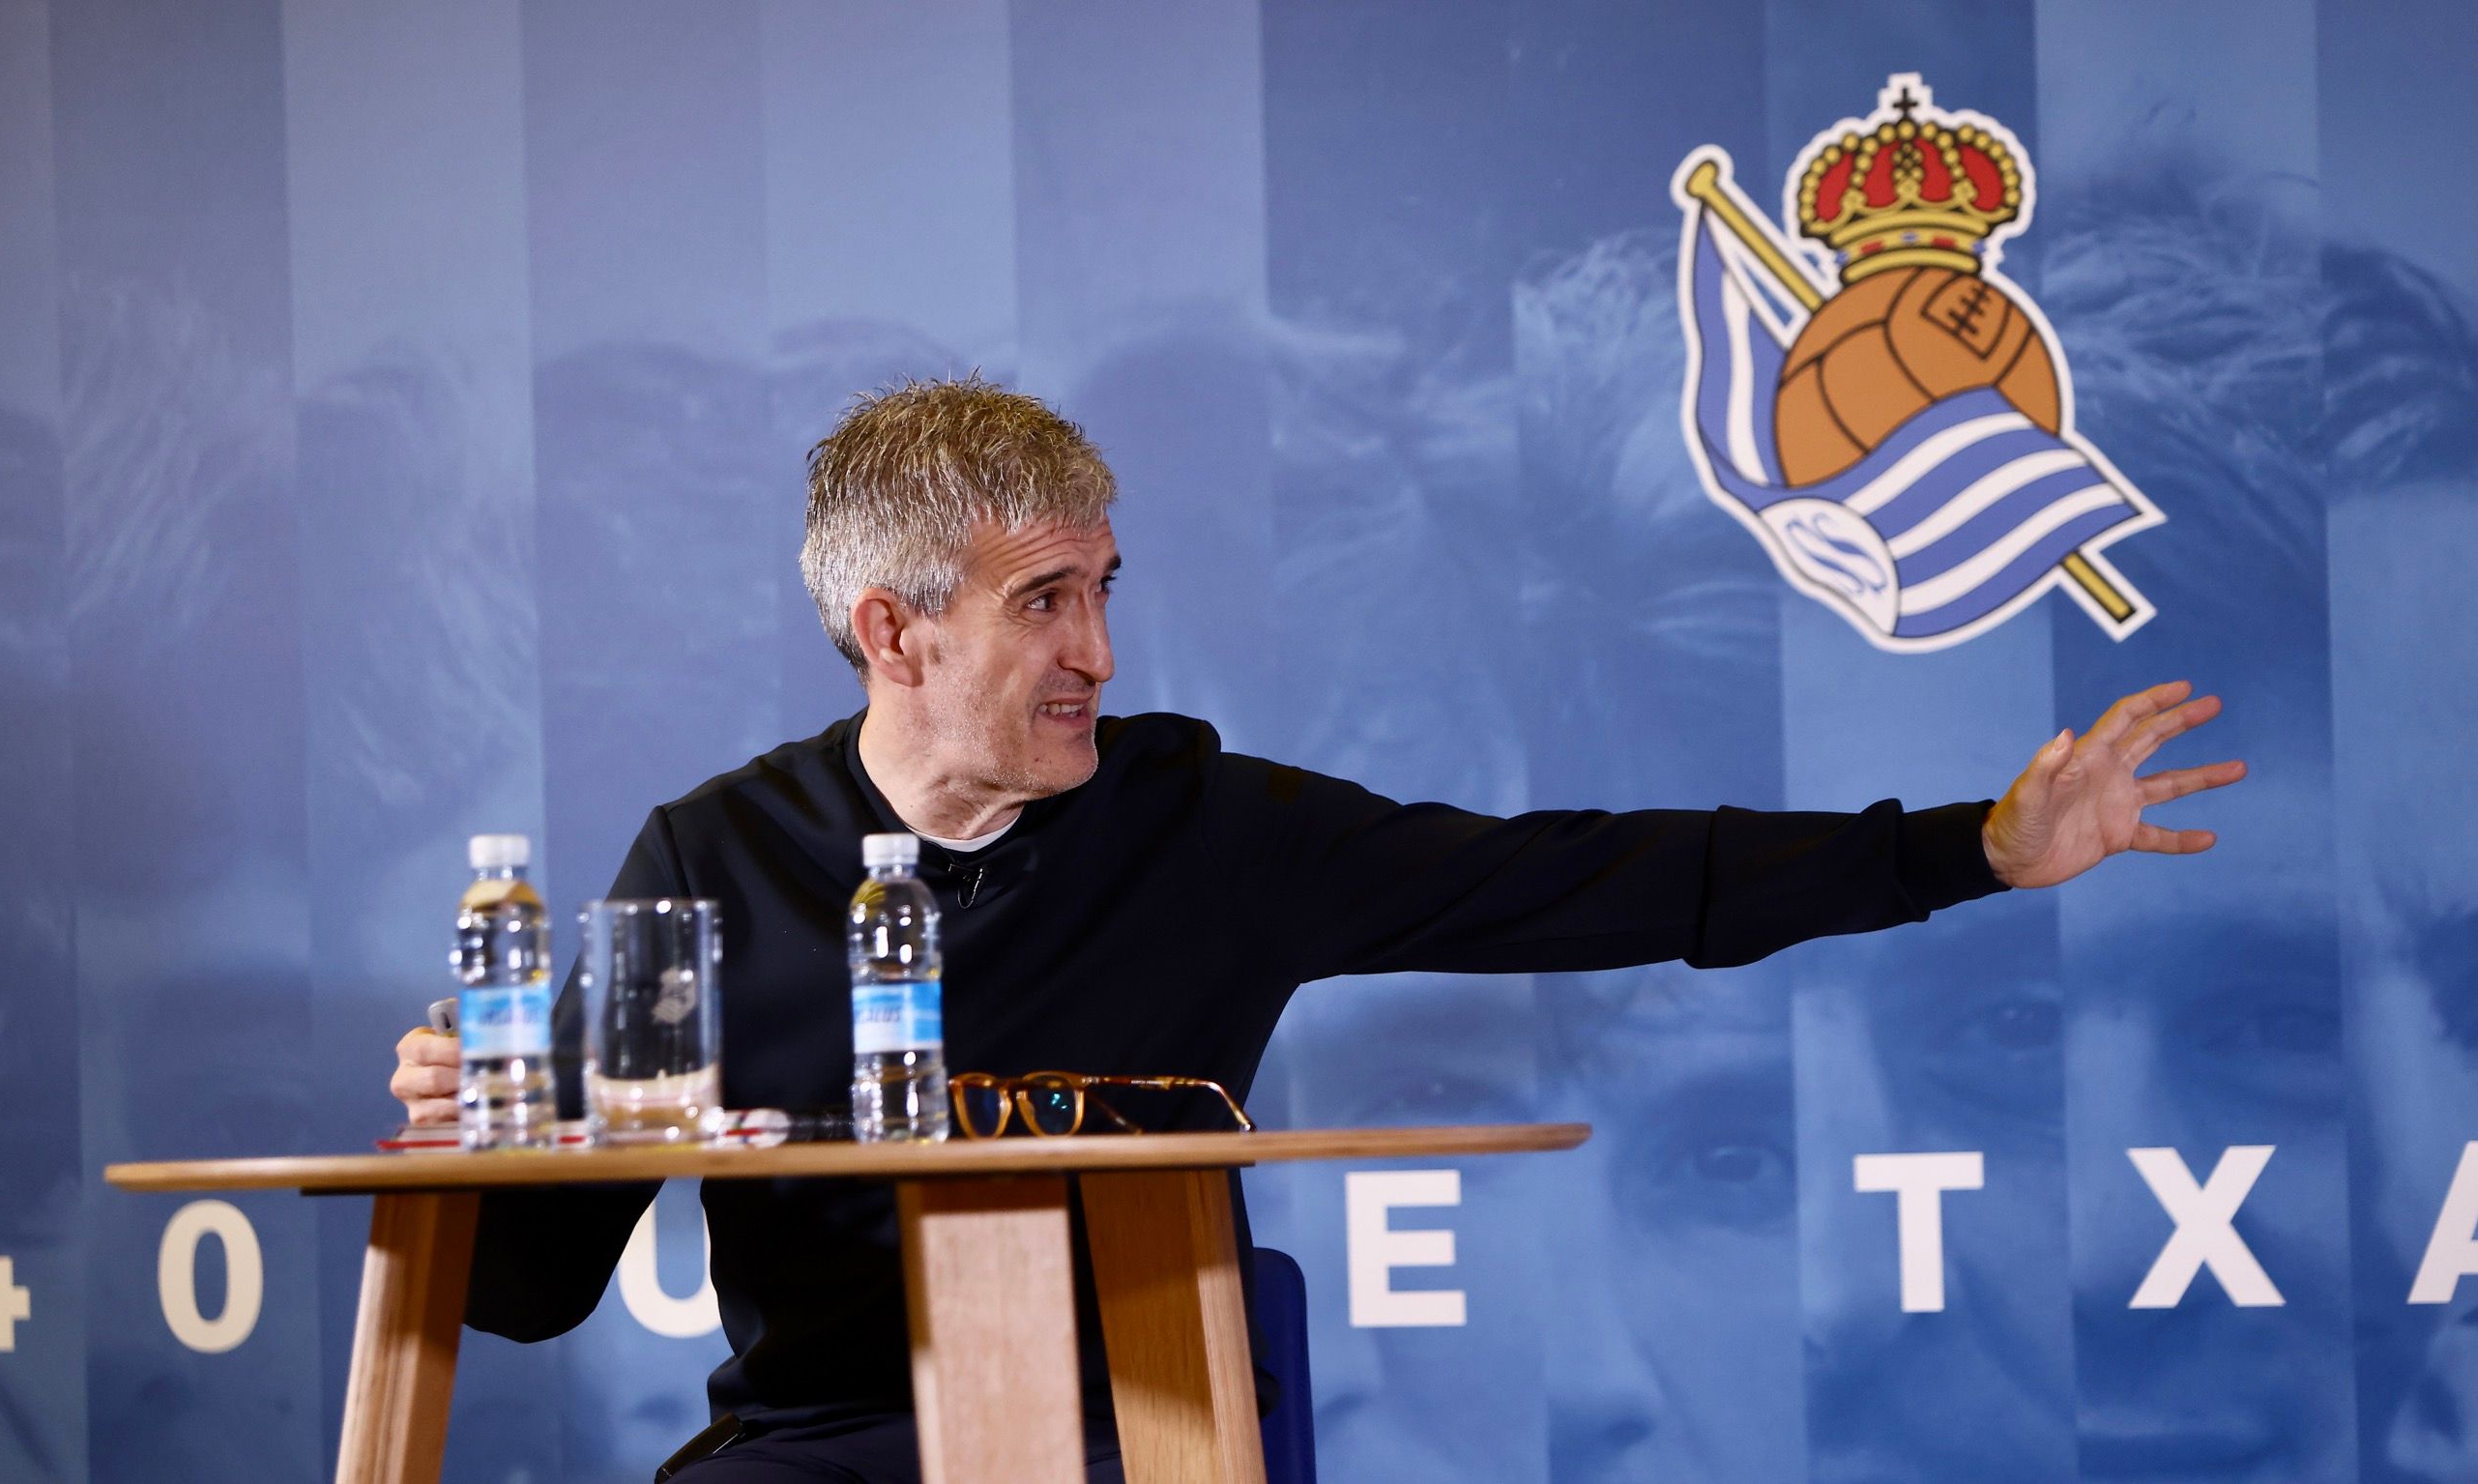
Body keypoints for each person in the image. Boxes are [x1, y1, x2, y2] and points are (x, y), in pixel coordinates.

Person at [389, 375, 2243, 1482]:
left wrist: (1970, 848)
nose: (1098, 652)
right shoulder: (711, 856)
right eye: (1043, 603)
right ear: (894, 630)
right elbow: (534, 1294)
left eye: (1103, 590)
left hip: (1131, 1435)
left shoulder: (1201, 827)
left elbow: (1598, 877)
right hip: (821, 1450)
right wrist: (487, 1149)